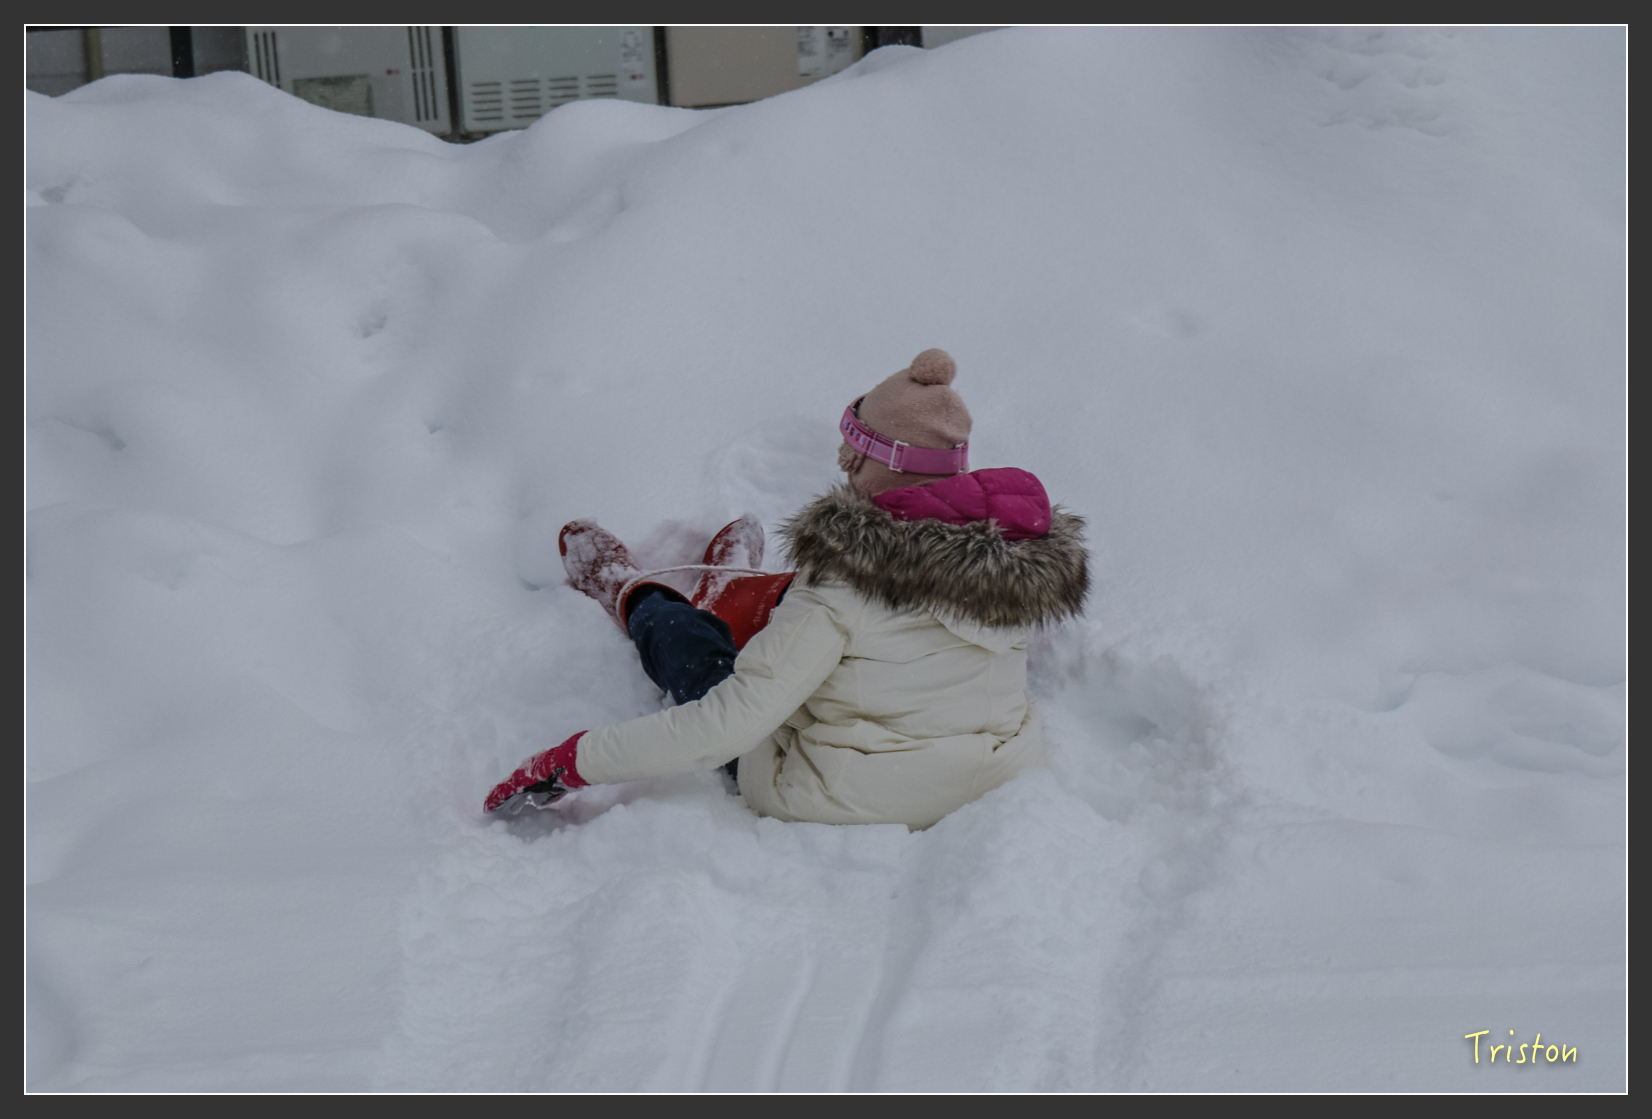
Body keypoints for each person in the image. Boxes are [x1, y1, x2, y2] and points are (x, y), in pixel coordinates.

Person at [485, 349, 1089, 829]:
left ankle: (636, 595)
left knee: (699, 659)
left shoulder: (843, 587)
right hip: (990, 783)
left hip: (840, 794)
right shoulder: (1015, 554)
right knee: (829, 622)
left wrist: (574, 759)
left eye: (852, 453)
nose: (843, 465)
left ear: (869, 465)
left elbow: (723, 728)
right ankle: (734, 587)